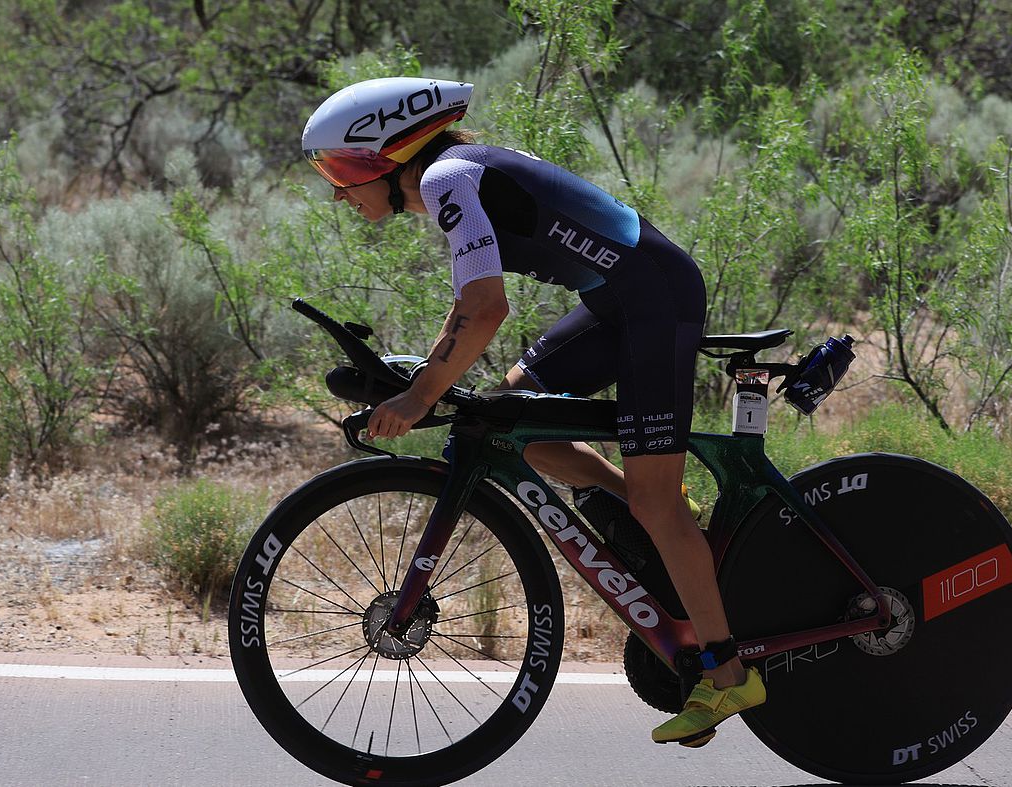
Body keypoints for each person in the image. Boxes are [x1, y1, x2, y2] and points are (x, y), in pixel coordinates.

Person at [301, 76, 765, 747]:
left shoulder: (443, 180)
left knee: (655, 504)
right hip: (617, 301)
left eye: (342, 172)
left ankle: (727, 672)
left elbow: (488, 309)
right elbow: (468, 307)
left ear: (388, 155)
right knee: (527, 434)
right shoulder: (452, 177)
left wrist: (420, 395)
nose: (338, 193)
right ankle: (673, 528)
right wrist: (418, 379)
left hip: (652, 303)